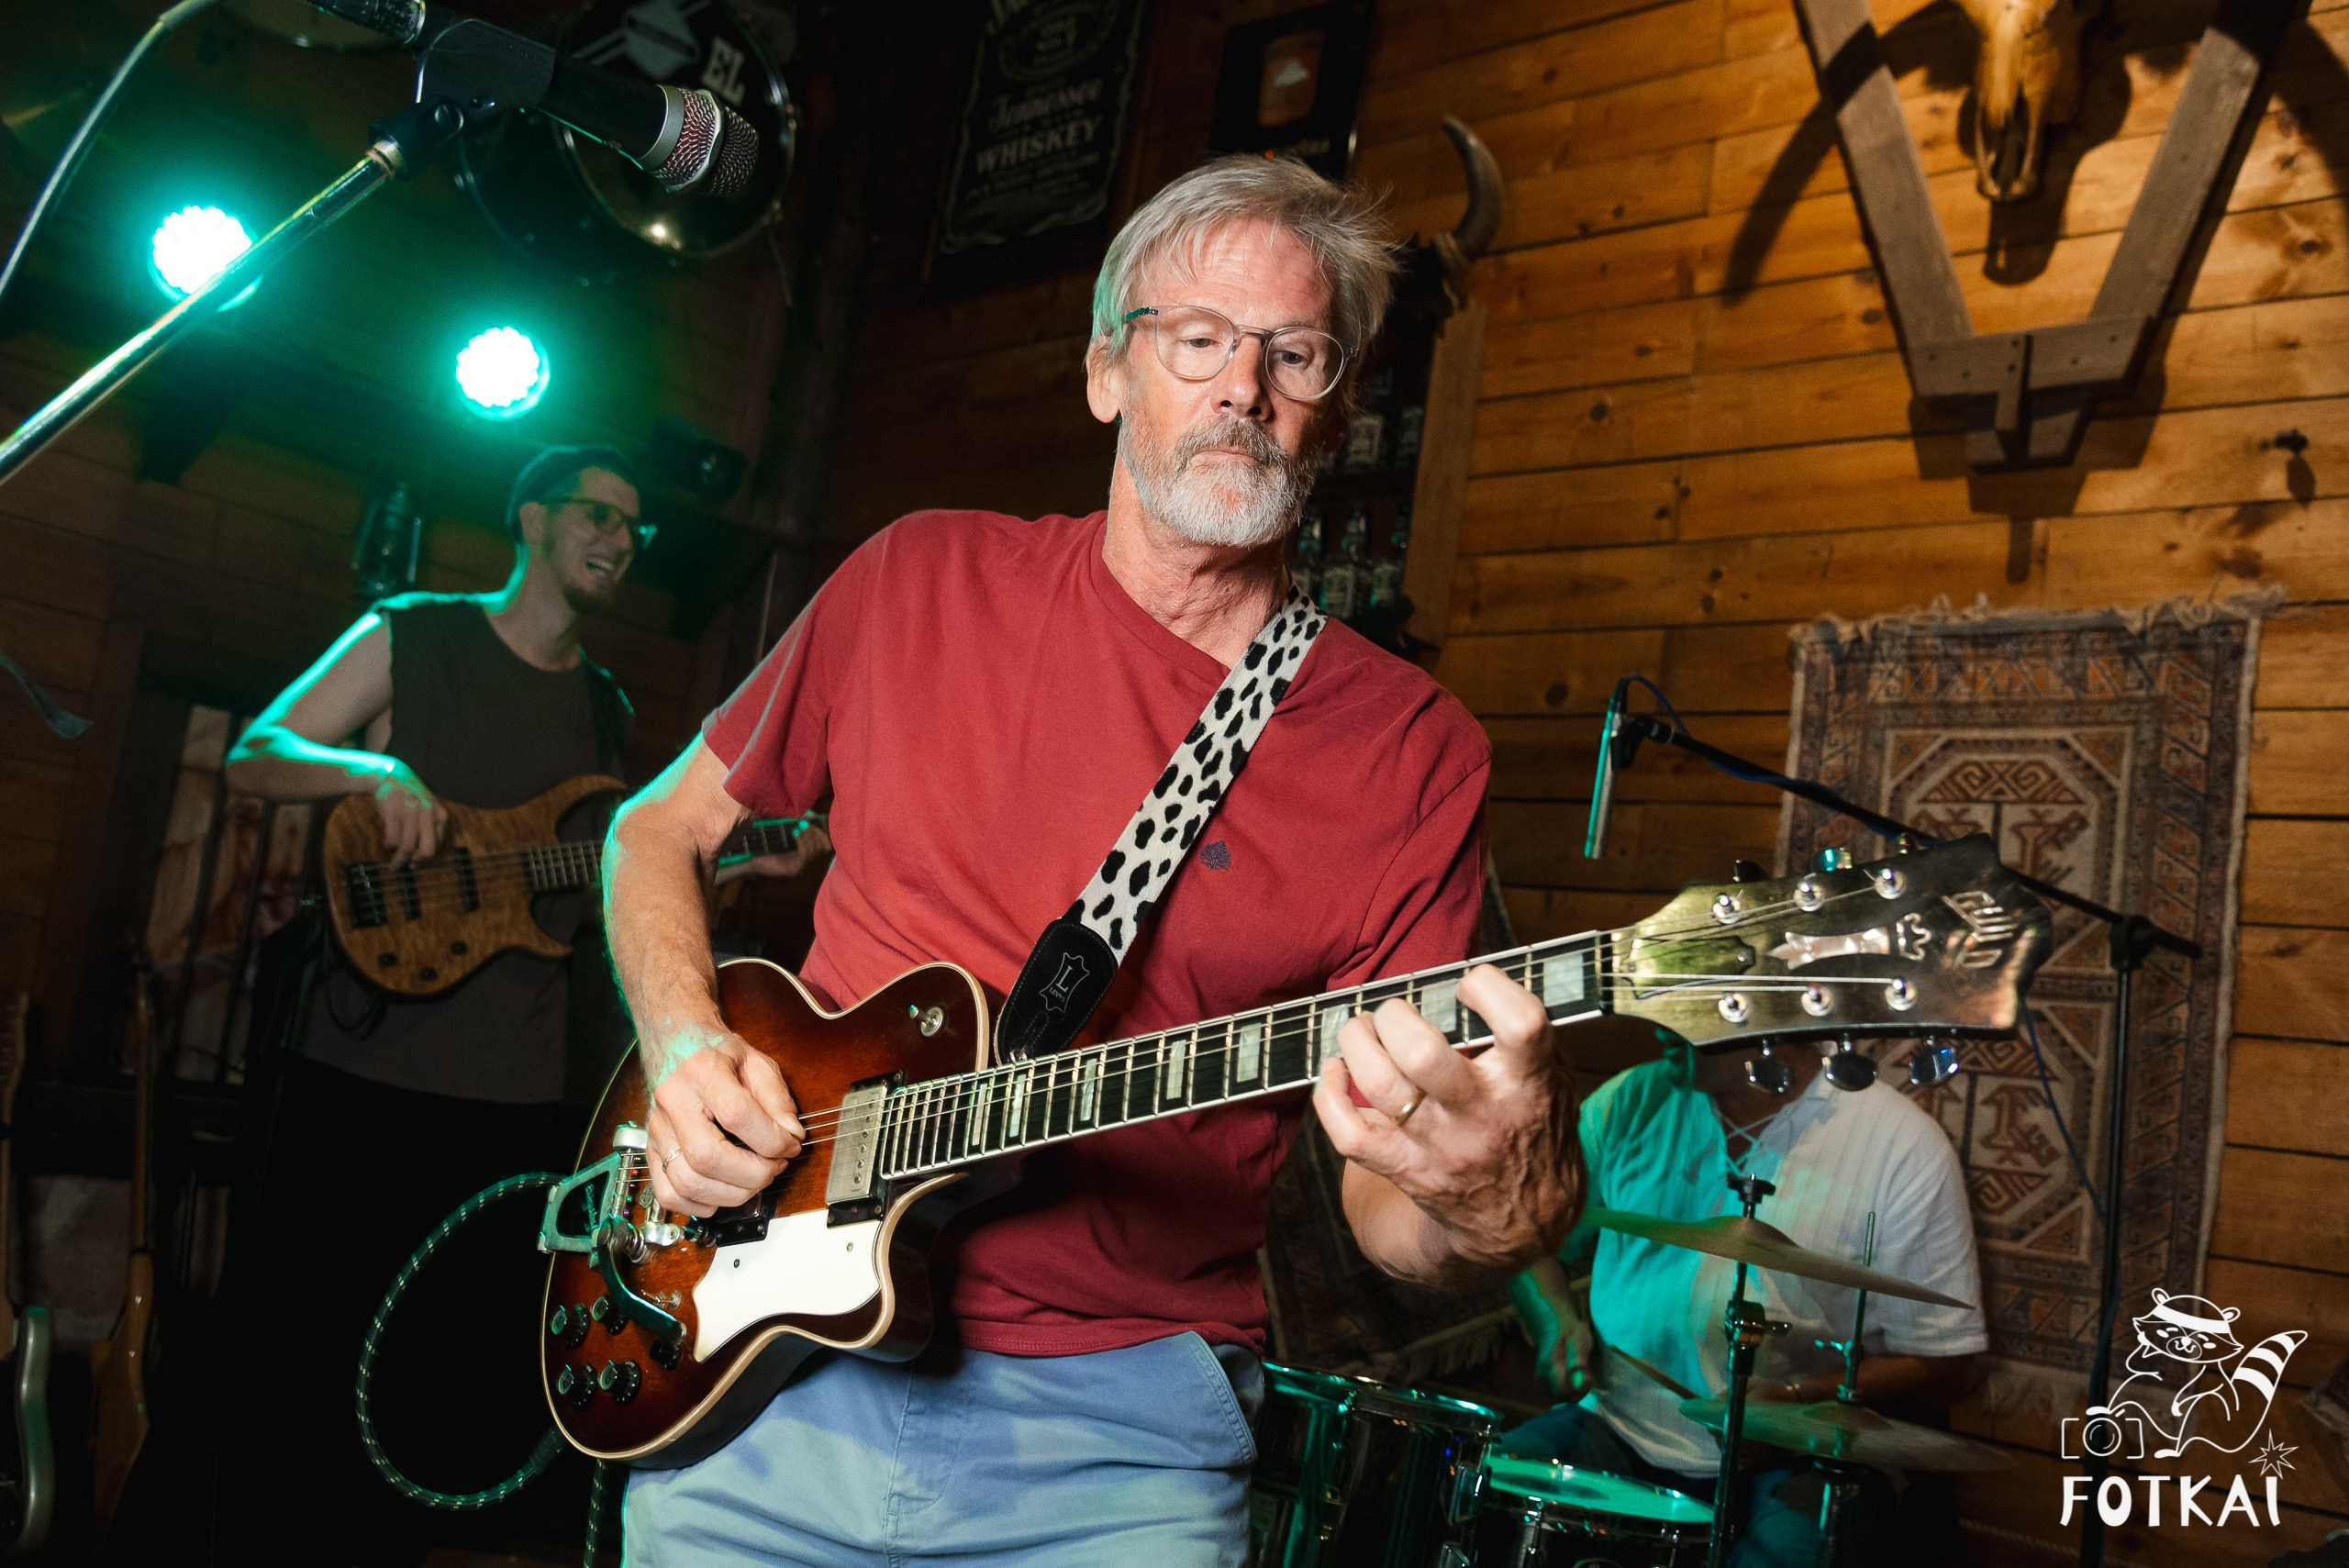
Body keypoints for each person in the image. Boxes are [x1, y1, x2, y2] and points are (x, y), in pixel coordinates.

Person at [602, 155, 1585, 1567]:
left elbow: (1385, 1203)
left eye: (1293, 352)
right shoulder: (916, 579)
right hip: (764, 1369)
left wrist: (1486, 1202)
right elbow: (658, 827)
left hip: (1118, 1446)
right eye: (1198, 338)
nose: (1243, 386)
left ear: (1337, 410)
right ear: (1106, 375)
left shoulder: (1411, 750)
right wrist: (687, 1044)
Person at [215, 447, 827, 1563]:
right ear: (533, 520)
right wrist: (376, 774)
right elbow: (257, 751)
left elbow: (596, 875)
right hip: (356, 1062)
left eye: (634, 530)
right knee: (289, 1341)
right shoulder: (416, 631)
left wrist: (735, 866)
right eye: (599, 514)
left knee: (442, 1374)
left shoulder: (604, 706)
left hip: (509, 1085)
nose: (619, 540)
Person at [1504, 1039, 1987, 1567]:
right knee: (1483, 1491)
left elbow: (1949, 1366)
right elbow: (1528, 1239)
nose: (1660, 1024)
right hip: (1615, 1424)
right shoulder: (1629, 1099)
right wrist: (1553, 1319)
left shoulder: (1900, 1144)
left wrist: (1797, 1400)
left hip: (1802, 1459)